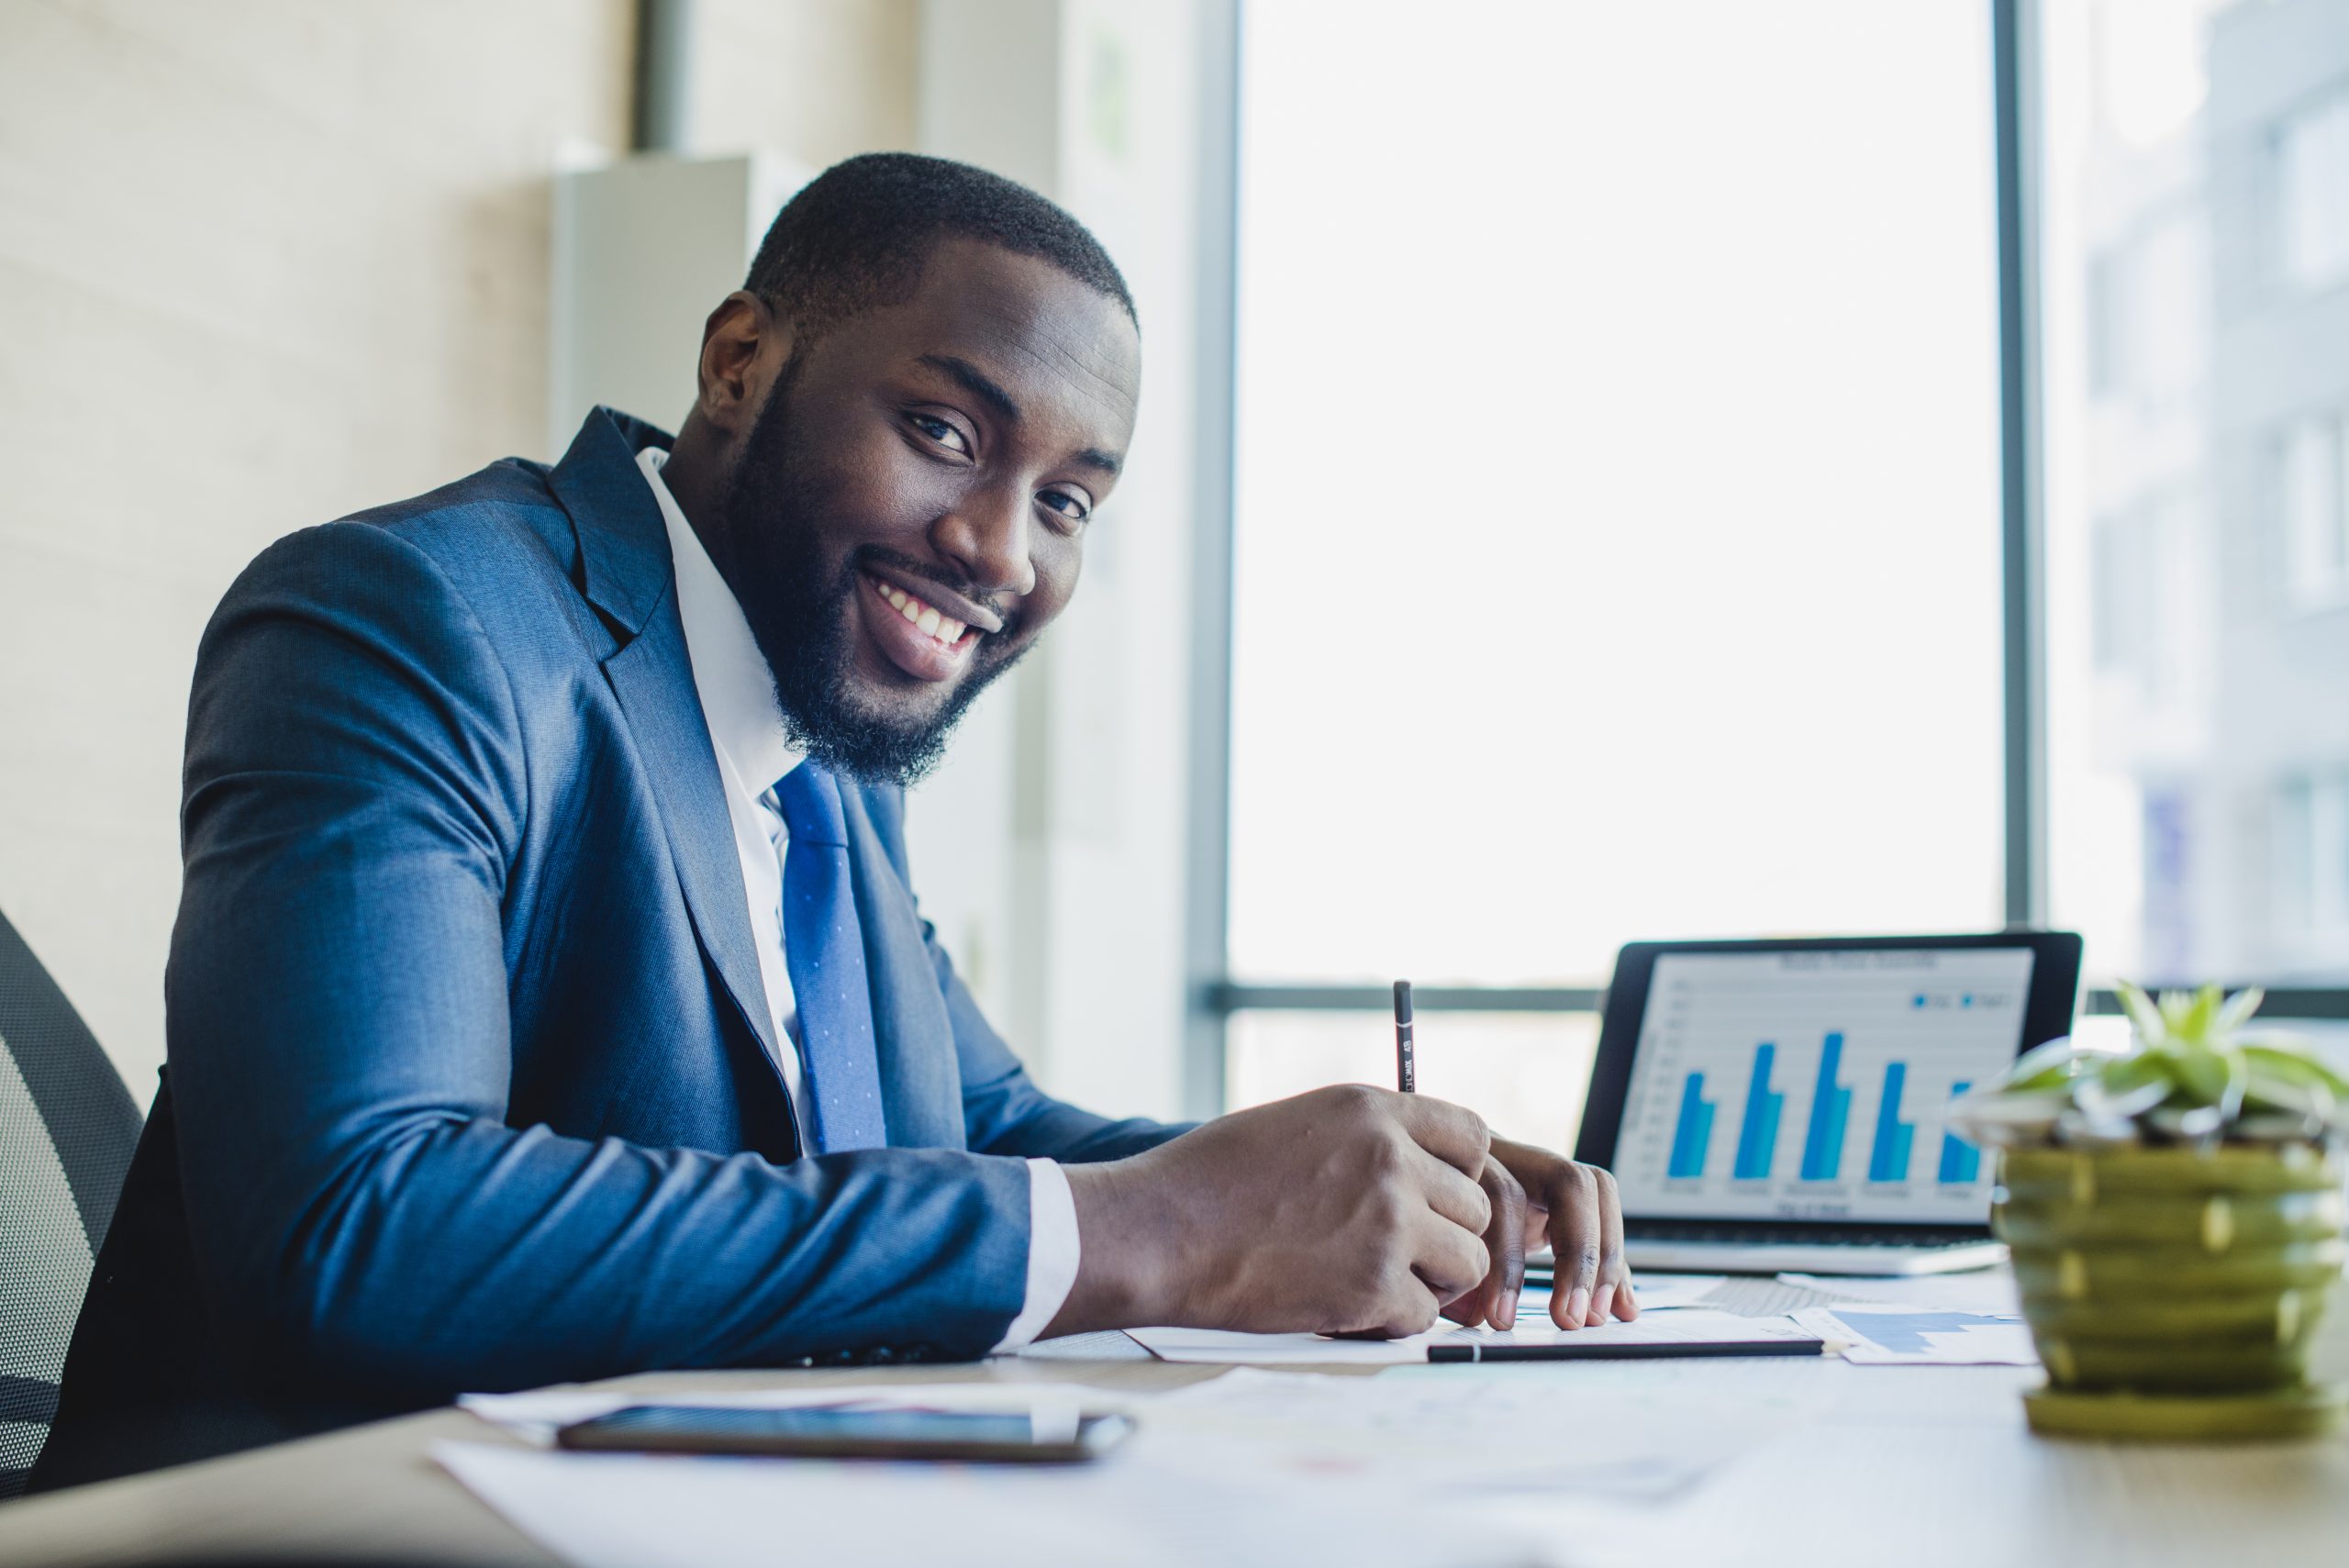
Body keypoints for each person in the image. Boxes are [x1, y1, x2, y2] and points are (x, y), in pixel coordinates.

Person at [32, 153, 1631, 1490]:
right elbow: (361, 1222)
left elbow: (986, 1133)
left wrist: (1350, 1188)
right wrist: (1162, 1225)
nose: (1003, 548)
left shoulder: (824, 750)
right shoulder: (413, 619)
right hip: (327, 1521)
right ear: (740, 362)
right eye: (947, 431)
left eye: (1069, 501)